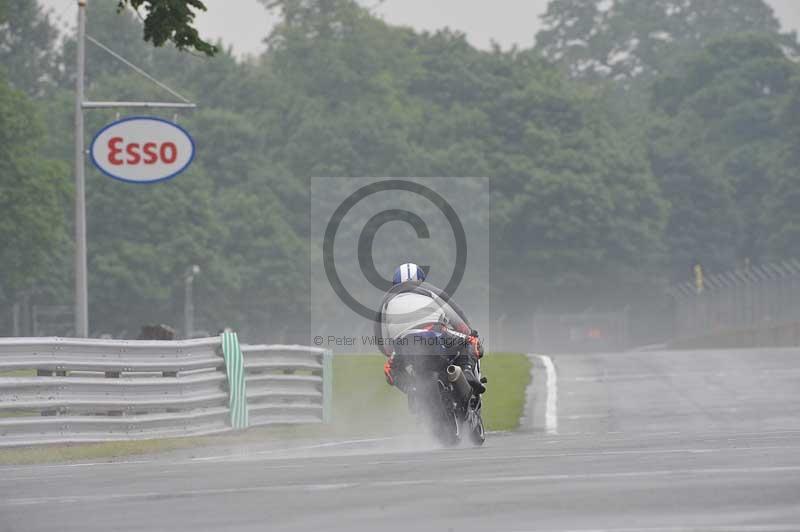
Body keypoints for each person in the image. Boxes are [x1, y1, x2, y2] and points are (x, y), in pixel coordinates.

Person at [375, 262, 486, 396]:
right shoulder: (430, 291)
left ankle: (414, 392)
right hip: (434, 332)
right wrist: (469, 333)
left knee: (391, 370)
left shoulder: (386, 301)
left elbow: (385, 347)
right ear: (421, 281)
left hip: (403, 343)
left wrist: (396, 353)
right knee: (471, 342)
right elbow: (458, 320)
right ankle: (467, 372)